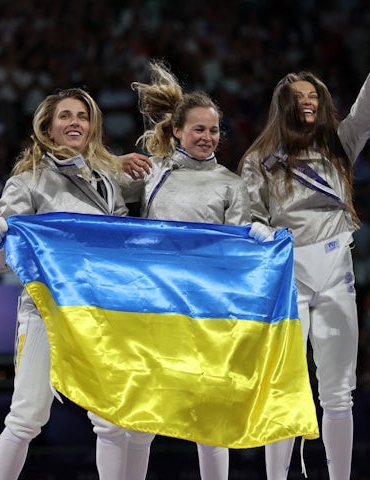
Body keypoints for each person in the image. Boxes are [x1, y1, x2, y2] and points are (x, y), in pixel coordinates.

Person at [237, 20, 370, 480]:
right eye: (299, 97)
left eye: (314, 96)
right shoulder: (259, 158)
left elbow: (367, 113)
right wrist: (261, 234)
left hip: (335, 269)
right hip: (286, 272)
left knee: (338, 391)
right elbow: (245, 214)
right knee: (284, 385)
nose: (308, 102)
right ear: (283, 106)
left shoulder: (339, 146)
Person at [0, 87, 153, 480]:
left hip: (98, 310)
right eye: (65, 116)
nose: (75, 122)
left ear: (92, 127)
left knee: (111, 419)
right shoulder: (27, 182)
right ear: (49, 127)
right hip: (46, 311)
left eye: (83, 116)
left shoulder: (109, 179)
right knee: (26, 417)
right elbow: (5, 260)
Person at [120, 60, 252, 480]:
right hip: (155, 304)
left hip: (207, 309)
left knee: (209, 416)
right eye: (199, 129)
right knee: (143, 414)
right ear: (177, 130)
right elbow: (98, 194)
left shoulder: (232, 184)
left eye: (214, 130)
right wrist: (117, 163)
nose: (208, 137)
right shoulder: (153, 172)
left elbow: (239, 251)